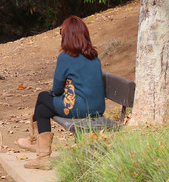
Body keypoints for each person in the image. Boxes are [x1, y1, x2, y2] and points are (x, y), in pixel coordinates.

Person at [17, 15, 105, 170]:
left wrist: (58, 93)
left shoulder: (65, 58)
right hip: (97, 108)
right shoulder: (94, 57)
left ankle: (37, 146)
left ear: (67, 36)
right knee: (43, 110)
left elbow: (57, 90)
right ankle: (39, 150)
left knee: (43, 96)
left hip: (79, 108)